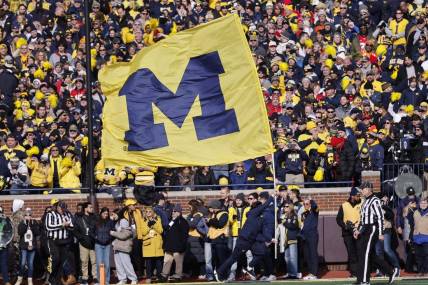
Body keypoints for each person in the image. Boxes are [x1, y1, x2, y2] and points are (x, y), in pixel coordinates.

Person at [354, 181, 398, 285]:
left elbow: (380, 217)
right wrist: (358, 230)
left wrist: (381, 233)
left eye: (363, 189)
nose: (361, 191)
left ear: (369, 189)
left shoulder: (375, 200)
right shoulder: (365, 201)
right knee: (368, 255)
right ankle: (391, 272)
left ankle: (364, 280)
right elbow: (363, 218)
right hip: (365, 229)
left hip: (372, 228)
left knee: (365, 254)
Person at [45, 201, 75, 285]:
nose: (62, 210)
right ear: (57, 207)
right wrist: (62, 225)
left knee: (63, 261)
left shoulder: (67, 214)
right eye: (61, 208)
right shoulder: (50, 214)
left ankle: (57, 280)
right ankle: (51, 277)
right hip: (53, 241)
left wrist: (67, 225)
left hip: (64, 241)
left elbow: (72, 226)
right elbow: (49, 226)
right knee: (55, 259)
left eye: (64, 208)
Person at [336, 187, 361, 277]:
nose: (359, 197)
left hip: (359, 232)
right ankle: (354, 273)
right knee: (351, 252)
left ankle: (361, 271)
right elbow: (338, 219)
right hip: (348, 233)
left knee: (360, 252)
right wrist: (345, 226)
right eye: (357, 195)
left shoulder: (362, 203)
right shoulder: (344, 205)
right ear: (352, 196)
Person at [159, 204, 189, 282]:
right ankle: (164, 275)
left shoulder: (182, 221)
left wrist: (182, 246)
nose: (173, 212)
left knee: (178, 262)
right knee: (167, 261)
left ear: (179, 212)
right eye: (172, 211)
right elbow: (167, 229)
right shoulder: (172, 221)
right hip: (169, 246)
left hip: (178, 247)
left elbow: (184, 235)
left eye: (175, 211)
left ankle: (178, 275)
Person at [110, 210, 138, 285]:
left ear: (117, 214)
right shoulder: (116, 222)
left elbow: (125, 234)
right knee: (119, 264)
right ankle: (122, 279)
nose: (112, 216)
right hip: (117, 246)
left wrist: (112, 233)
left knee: (126, 263)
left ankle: (133, 278)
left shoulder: (123, 221)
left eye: (113, 214)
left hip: (124, 246)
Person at [227, 193, 250, 281]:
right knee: (234, 255)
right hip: (236, 235)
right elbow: (229, 221)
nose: (238, 202)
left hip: (245, 235)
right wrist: (232, 217)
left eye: (239, 200)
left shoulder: (247, 208)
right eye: (237, 200)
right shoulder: (232, 209)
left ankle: (251, 272)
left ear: (243, 200)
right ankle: (232, 274)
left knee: (249, 254)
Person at [73, 202, 97, 284]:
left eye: (92, 207)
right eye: (90, 207)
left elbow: (97, 228)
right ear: (85, 208)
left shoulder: (94, 217)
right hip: (83, 243)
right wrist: (81, 238)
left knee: (94, 261)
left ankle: (95, 277)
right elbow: (75, 230)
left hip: (93, 242)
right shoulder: (79, 218)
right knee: (84, 261)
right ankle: (85, 278)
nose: (92, 209)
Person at [15, 208, 40, 285]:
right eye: (26, 215)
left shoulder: (34, 223)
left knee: (30, 264)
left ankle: (30, 280)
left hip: (32, 246)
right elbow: (20, 232)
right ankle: (19, 279)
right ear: (24, 216)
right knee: (22, 263)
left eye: (29, 215)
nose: (28, 216)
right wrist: (26, 224)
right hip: (24, 246)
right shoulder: (22, 223)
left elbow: (37, 233)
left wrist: (32, 224)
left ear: (31, 216)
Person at [206, 200, 229, 278]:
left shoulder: (224, 214)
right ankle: (218, 276)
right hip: (214, 240)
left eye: (212, 207)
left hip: (221, 239)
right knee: (216, 260)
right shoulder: (214, 214)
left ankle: (223, 276)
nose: (211, 208)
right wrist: (209, 221)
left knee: (222, 259)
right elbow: (211, 224)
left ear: (215, 207)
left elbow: (220, 224)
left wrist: (210, 220)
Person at [123, 199, 145, 278]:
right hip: (128, 238)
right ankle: (132, 273)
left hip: (137, 237)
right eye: (133, 205)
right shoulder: (124, 214)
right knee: (130, 256)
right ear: (129, 206)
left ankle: (140, 273)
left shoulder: (138, 212)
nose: (135, 206)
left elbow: (142, 222)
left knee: (138, 256)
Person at [185, 200, 207, 280]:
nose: (189, 209)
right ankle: (194, 273)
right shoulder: (190, 215)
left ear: (194, 206)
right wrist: (188, 221)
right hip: (190, 237)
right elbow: (187, 223)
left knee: (200, 257)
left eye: (190, 207)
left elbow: (193, 224)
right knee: (191, 257)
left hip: (197, 237)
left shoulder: (199, 214)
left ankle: (203, 273)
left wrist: (188, 222)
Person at [141, 207, 164, 283]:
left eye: (150, 211)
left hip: (157, 243)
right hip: (148, 243)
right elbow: (143, 232)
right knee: (148, 263)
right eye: (146, 211)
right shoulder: (143, 220)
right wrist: (148, 226)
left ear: (153, 212)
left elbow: (160, 230)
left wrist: (154, 224)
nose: (148, 213)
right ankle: (149, 277)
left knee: (158, 262)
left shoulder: (158, 219)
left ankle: (159, 276)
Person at [407, 195, 428, 276]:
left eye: (425, 203)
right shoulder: (415, 212)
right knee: (418, 256)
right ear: (419, 204)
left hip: (426, 237)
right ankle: (420, 272)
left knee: (426, 256)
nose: (423, 204)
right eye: (422, 203)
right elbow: (411, 224)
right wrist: (409, 208)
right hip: (416, 237)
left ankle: (426, 272)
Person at [279, 201, 300, 279]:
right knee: (287, 257)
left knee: (293, 257)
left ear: (290, 207)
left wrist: (284, 222)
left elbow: (292, 226)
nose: (285, 208)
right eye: (284, 207)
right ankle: (290, 273)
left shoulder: (294, 215)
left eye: (287, 206)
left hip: (292, 238)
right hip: (285, 239)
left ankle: (294, 274)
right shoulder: (283, 215)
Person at [94, 207, 115, 285]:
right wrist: (95, 237)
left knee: (107, 264)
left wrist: (109, 238)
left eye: (107, 214)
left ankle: (106, 281)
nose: (105, 215)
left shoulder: (110, 222)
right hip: (98, 244)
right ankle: (100, 281)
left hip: (107, 244)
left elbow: (113, 231)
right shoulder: (96, 221)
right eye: (104, 213)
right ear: (101, 213)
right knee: (99, 263)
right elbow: (92, 232)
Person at [300, 197, 319, 280]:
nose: (305, 205)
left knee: (313, 254)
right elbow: (303, 225)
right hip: (305, 236)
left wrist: (311, 200)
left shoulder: (315, 211)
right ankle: (310, 272)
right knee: (307, 255)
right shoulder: (304, 213)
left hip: (312, 235)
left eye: (307, 204)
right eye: (304, 204)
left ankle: (314, 273)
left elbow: (315, 206)